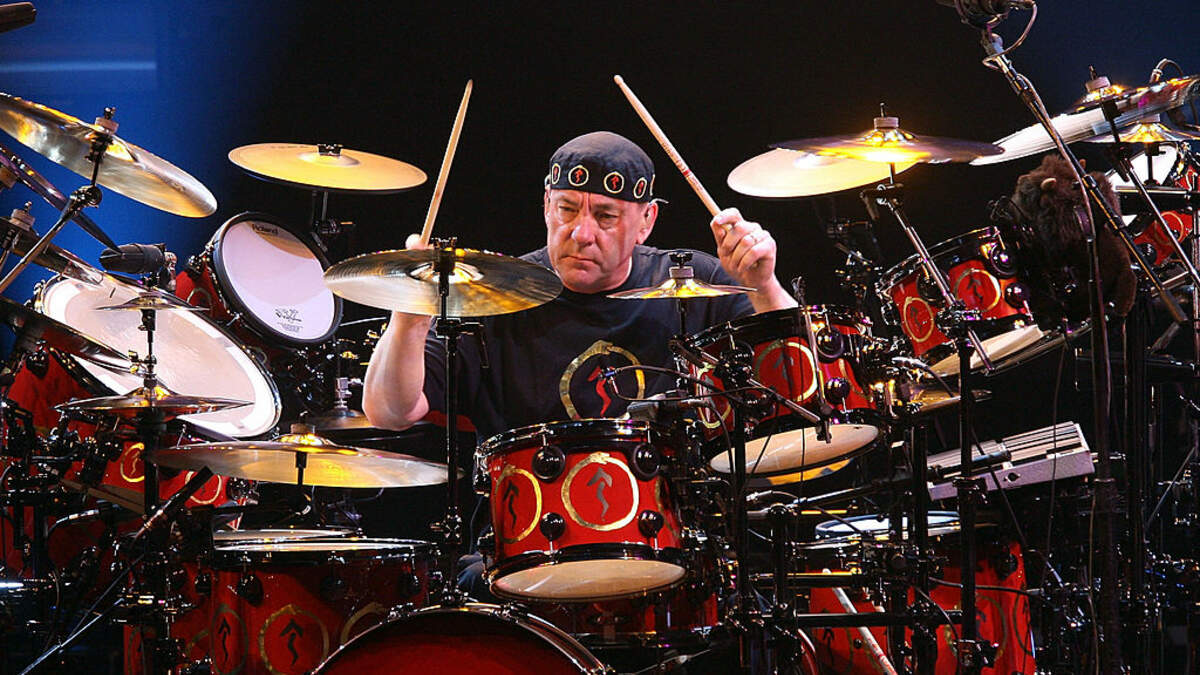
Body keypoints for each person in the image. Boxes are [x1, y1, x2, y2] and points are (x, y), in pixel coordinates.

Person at [363, 130, 796, 441]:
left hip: (674, 527)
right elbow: (389, 413)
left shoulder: (695, 282)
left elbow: (796, 387)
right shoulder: (491, 294)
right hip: (528, 530)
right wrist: (408, 318)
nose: (581, 233)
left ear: (646, 221)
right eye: (567, 210)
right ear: (545, 206)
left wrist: (763, 286)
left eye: (605, 216)